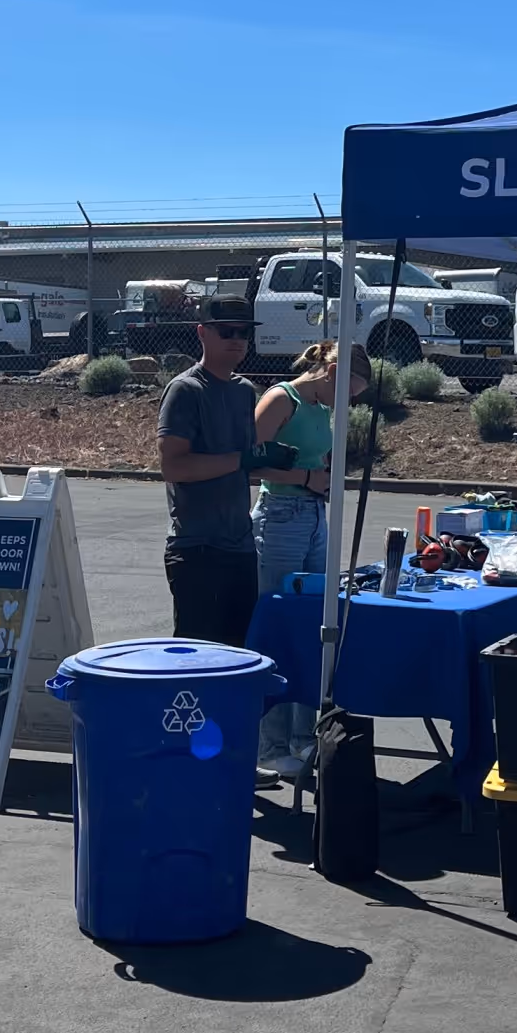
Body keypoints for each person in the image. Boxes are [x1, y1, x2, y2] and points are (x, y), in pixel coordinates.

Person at [248, 342, 369, 775]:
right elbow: (250, 462)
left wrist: (330, 471)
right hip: (280, 516)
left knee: (312, 626)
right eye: (349, 390)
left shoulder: (321, 408)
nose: (351, 401)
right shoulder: (283, 399)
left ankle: (302, 738)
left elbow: (321, 455)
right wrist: (305, 477)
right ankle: (269, 744)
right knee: (280, 626)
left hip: (314, 515)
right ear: (331, 370)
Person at [157, 301, 262, 647]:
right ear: (202, 333)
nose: (237, 339)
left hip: (240, 546)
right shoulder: (186, 390)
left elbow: (245, 460)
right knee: (196, 659)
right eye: (226, 331)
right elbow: (174, 466)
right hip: (197, 549)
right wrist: (241, 459)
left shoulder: (245, 391)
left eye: (244, 332)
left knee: (239, 654)